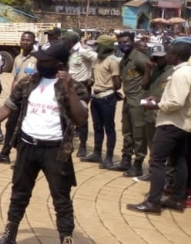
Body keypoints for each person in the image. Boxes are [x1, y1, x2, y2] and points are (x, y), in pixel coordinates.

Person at [0, 41, 88, 244]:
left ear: (59, 64)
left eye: (46, 61)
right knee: (19, 195)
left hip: (56, 152)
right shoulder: (29, 82)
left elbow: (81, 118)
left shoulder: (75, 87)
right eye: (39, 60)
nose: (40, 64)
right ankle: (9, 237)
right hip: (27, 148)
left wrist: (69, 87)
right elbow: (7, 109)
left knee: (62, 202)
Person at [126, 40, 191, 214]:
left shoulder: (179, 74)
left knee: (157, 161)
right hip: (183, 123)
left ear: (175, 56)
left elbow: (176, 101)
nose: (167, 56)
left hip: (171, 123)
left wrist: (156, 105)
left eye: (169, 53)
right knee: (179, 160)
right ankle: (177, 199)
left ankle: (153, 202)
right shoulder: (188, 72)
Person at [0, 31, 37, 164]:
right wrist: (12, 96)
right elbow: (15, 78)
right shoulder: (18, 58)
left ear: (33, 42)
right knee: (10, 125)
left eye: (28, 40)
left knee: (24, 128)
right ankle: (5, 154)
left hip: (30, 99)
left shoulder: (37, 59)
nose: (25, 42)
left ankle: (23, 159)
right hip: (17, 99)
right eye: (23, 40)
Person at [109, 32, 148, 176]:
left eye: (126, 42)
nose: (123, 45)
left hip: (138, 99)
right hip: (128, 99)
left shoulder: (139, 58)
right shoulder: (124, 60)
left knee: (138, 132)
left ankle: (138, 164)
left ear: (132, 42)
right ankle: (126, 160)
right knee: (127, 130)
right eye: (120, 42)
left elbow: (151, 73)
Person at [80, 35, 121, 168]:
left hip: (107, 97)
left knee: (108, 127)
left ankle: (108, 157)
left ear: (106, 46)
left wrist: (111, 91)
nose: (96, 47)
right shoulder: (97, 59)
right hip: (96, 97)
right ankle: (97, 153)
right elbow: (94, 76)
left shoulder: (112, 60)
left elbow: (117, 83)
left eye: (99, 45)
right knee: (97, 126)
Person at [138, 45, 172, 181]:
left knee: (164, 147)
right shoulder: (154, 70)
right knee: (152, 144)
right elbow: (144, 86)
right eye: (155, 57)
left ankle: (167, 176)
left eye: (160, 57)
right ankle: (153, 172)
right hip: (150, 112)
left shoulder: (172, 72)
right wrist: (148, 70)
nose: (157, 59)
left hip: (163, 112)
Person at [63, 31, 96, 157]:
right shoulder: (67, 52)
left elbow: (98, 60)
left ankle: (82, 145)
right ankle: (68, 142)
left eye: (65, 40)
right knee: (67, 116)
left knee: (82, 118)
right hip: (68, 86)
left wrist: (92, 77)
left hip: (81, 88)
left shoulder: (83, 52)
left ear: (70, 41)